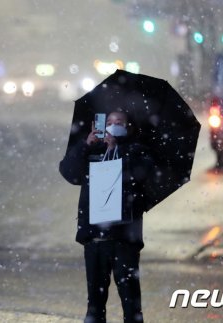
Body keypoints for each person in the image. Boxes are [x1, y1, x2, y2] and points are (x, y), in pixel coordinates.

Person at [59, 111, 152, 323]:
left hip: (124, 238)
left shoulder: (136, 150)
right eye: (108, 122)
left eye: (119, 122)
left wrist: (116, 150)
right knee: (95, 303)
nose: (113, 125)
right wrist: (86, 144)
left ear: (128, 127)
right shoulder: (91, 150)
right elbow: (69, 172)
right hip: (94, 237)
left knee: (130, 301)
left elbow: (141, 175)